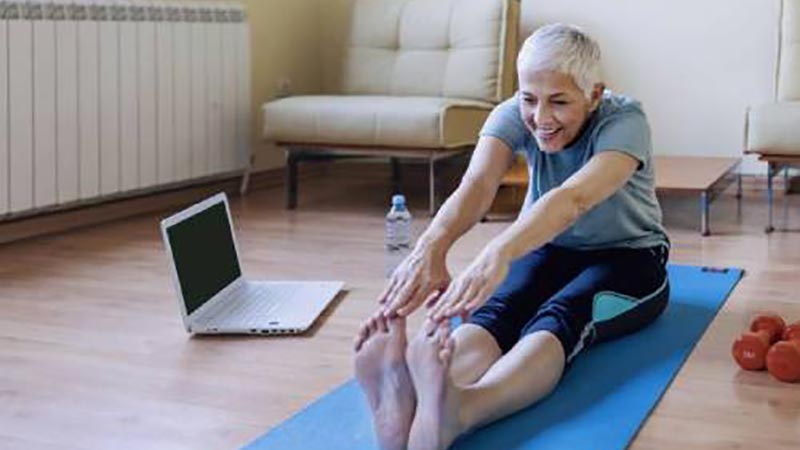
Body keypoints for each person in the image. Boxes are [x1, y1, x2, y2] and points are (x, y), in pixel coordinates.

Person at [353, 23, 670, 450]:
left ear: (594, 95)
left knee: (561, 316)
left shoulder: (625, 121)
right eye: (529, 99)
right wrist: (432, 247)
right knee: (497, 311)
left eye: (559, 102)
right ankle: (414, 395)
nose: (541, 118)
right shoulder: (510, 114)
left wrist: (497, 252)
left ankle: (464, 408)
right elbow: (478, 185)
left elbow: (574, 198)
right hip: (547, 248)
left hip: (628, 257)